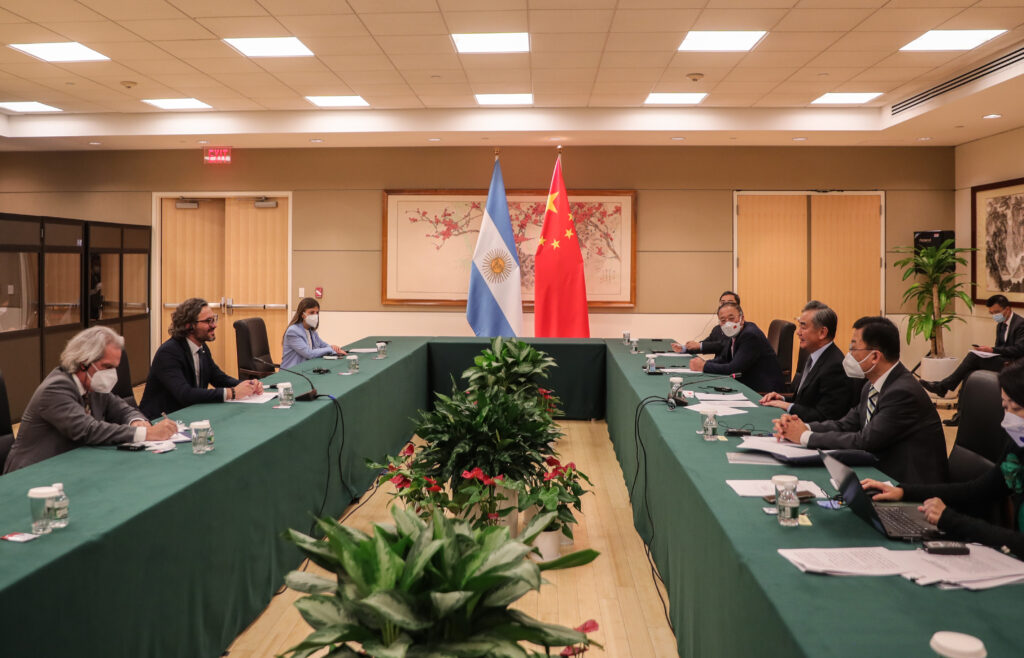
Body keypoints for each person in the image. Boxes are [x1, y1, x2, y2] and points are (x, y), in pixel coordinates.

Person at [862, 358, 1024, 557]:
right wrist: (903, 491)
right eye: (1005, 407)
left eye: (1016, 409)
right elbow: (980, 489)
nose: (1008, 418)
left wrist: (950, 520)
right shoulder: (1018, 444)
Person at [775, 316, 948, 484]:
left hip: (910, 486)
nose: (849, 355)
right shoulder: (871, 386)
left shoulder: (902, 392)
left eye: (854, 349)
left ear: (875, 357)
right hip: (880, 471)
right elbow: (846, 424)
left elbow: (865, 440)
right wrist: (803, 427)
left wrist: (805, 437)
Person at [3, 326, 177, 473]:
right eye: (107, 367)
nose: (112, 374)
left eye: (114, 368)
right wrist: (145, 434)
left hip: (70, 466)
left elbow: (122, 409)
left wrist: (137, 421)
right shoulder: (55, 388)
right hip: (33, 474)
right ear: (83, 363)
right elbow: (88, 430)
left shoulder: (93, 387)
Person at [140, 297, 262, 418]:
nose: (214, 325)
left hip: (189, 415)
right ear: (189, 326)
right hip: (161, 421)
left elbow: (219, 378)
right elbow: (185, 394)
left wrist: (248, 385)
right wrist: (232, 393)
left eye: (214, 319)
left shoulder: (202, 348)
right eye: (208, 321)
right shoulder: (168, 352)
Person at [759, 301, 858, 421]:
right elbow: (803, 401)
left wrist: (788, 406)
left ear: (822, 332)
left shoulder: (834, 366)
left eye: (803, 327)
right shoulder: (813, 356)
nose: (798, 332)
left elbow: (825, 417)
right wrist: (782, 399)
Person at [920, 294, 1024, 399]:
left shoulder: (1020, 324)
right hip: (1003, 361)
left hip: (1015, 365)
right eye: (991, 313)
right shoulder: (1000, 324)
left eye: (996, 312)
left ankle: (943, 387)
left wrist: (992, 350)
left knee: (973, 357)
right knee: (969, 370)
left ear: (1007, 309)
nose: (994, 316)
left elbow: (1020, 349)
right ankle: (959, 404)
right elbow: (999, 348)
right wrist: (987, 352)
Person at [686, 301, 785, 393]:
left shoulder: (750, 335)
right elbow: (724, 358)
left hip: (764, 391)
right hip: (747, 384)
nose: (728, 324)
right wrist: (704, 363)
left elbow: (734, 369)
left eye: (731, 318)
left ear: (742, 319)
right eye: (723, 320)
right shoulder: (736, 333)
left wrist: (704, 366)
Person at [281, 297, 346, 369]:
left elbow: (323, 345)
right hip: (291, 371)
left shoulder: (311, 331)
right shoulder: (293, 331)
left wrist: (334, 349)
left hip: (305, 369)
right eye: (312, 312)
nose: (315, 315)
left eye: (317, 313)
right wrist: (330, 349)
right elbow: (309, 353)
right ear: (302, 314)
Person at [672, 290, 739, 355]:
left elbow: (726, 345)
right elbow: (705, 345)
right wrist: (685, 348)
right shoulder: (717, 329)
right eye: (722, 302)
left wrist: (700, 345)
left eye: (730, 302)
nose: (725, 305)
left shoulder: (741, 328)